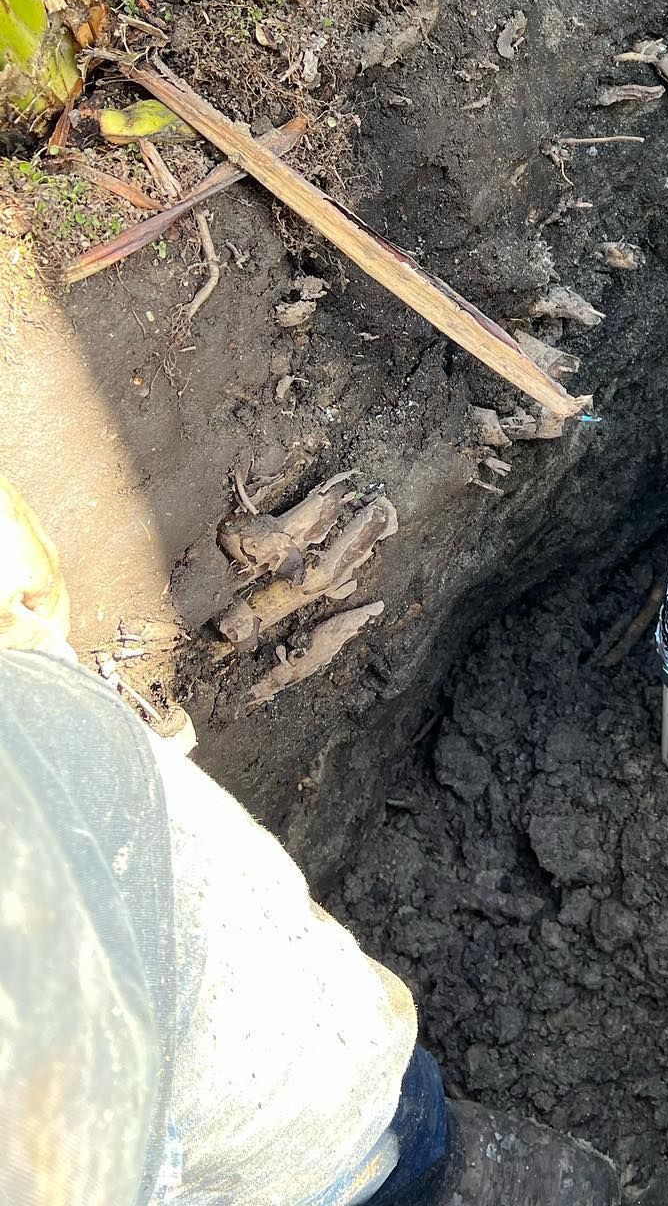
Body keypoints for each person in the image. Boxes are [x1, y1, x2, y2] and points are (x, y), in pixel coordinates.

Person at [0, 471, 454, 1205]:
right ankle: (391, 1164)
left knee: (368, 1094)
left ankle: (401, 1146)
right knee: (346, 1141)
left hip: (299, 1039)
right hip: (261, 1151)